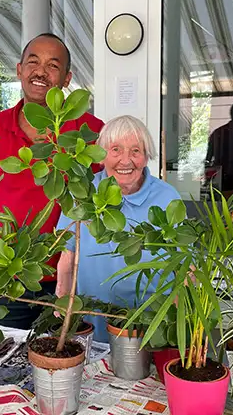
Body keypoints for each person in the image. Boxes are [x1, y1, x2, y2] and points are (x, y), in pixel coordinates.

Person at [0, 33, 104, 329]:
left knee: (65, 364)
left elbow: (107, 197)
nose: (41, 71)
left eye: (53, 65)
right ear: (19, 70)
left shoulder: (89, 131)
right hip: (8, 275)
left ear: (67, 78)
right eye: (33, 61)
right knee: (7, 359)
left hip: (71, 279)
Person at [55, 115, 181, 342]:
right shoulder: (82, 193)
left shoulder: (167, 197)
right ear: (102, 155)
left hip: (151, 323)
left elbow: (183, 265)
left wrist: (178, 321)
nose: (126, 160)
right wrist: (63, 300)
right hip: (93, 319)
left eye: (135, 151)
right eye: (116, 150)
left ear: (146, 156)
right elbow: (67, 255)